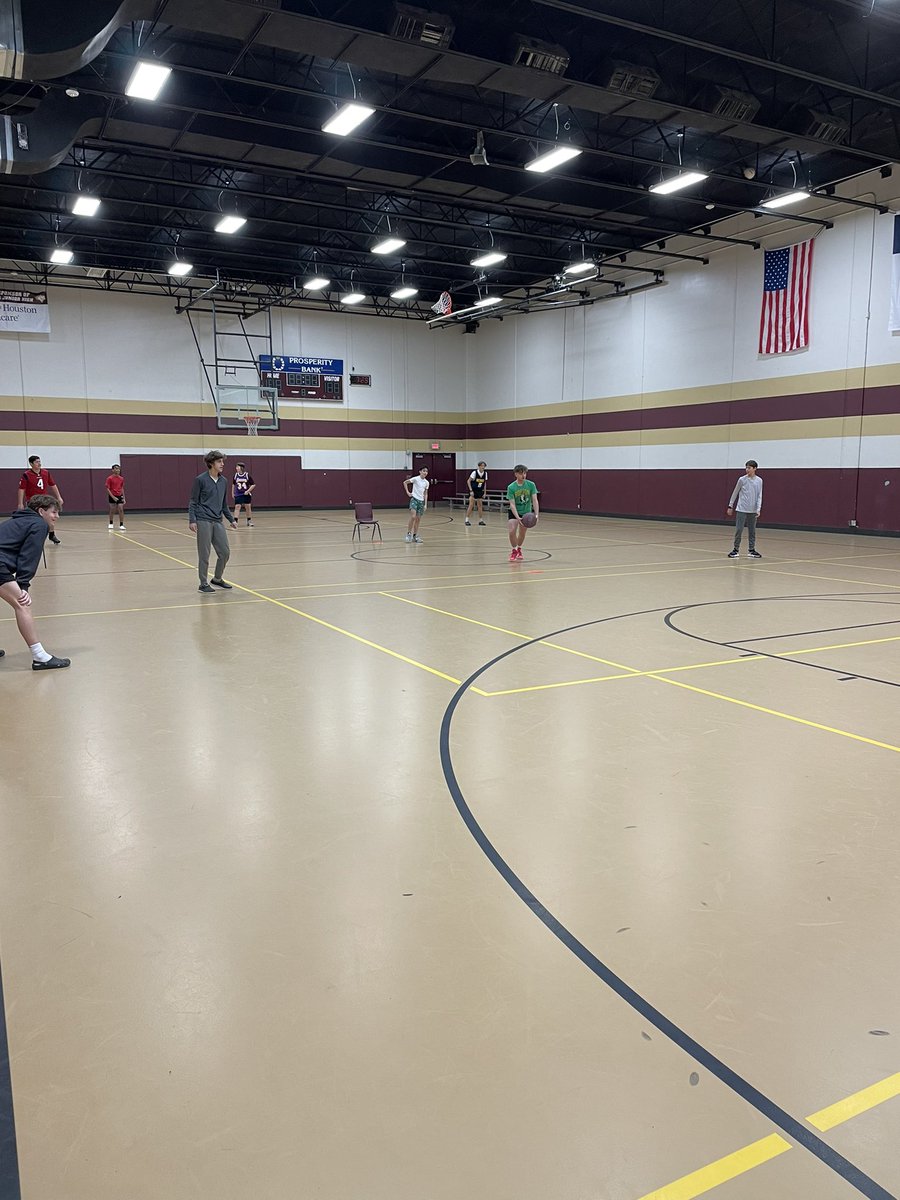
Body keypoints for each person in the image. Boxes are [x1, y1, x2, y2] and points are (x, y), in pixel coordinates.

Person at [0, 495, 70, 670]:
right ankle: (40, 657)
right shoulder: (39, 525)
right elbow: (29, 556)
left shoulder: (19, 520)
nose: (57, 517)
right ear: (41, 511)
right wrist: (23, 585)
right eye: (54, 512)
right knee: (22, 604)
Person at [189, 451, 238, 593]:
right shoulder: (200, 480)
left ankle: (217, 579)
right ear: (211, 463)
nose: (222, 464)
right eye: (219, 462)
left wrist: (231, 519)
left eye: (222, 461)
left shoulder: (224, 481)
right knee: (204, 554)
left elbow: (223, 504)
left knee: (225, 552)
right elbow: (193, 501)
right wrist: (192, 520)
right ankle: (203, 583)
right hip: (203, 519)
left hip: (218, 521)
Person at [17, 455, 63, 545]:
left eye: (39, 461)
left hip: (44, 500)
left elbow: (53, 484)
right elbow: (21, 489)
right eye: (36, 462)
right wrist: (20, 503)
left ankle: (52, 534)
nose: (39, 463)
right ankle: (30, 537)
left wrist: (59, 497)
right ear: (31, 464)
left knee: (50, 517)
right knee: (33, 520)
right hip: (32, 501)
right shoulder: (26, 475)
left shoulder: (46, 473)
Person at [727, 460, 763, 559]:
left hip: (753, 510)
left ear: (755, 469)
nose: (747, 470)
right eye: (746, 468)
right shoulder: (742, 480)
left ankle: (751, 550)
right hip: (741, 509)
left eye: (749, 468)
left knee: (752, 531)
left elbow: (760, 495)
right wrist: (730, 506)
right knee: (739, 529)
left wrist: (758, 509)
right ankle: (735, 549)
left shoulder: (759, 481)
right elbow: (735, 493)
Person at [506, 465, 539, 561]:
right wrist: (517, 517)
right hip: (514, 512)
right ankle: (514, 550)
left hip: (526, 512)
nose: (523, 475)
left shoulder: (531, 485)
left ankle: (519, 548)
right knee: (512, 530)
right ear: (516, 474)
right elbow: (512, 504)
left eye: (524, 473)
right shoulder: (511, 487)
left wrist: (536, 515)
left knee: (522, 533)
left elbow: (535, 500)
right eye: (521, 473)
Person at [404, 466, 429, 543]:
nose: (425, 472)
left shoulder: (426, 482)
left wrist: (425, 504)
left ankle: (415, 535)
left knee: (418, 519)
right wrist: (408, 492)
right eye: (424, 471)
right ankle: (408, 534)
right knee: (413, 516)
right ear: (420, 471)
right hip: (414, 499)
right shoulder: (415, 479)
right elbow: (405, 482)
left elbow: (425, 494)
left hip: (421, 502)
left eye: (426, 471)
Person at [465, 461, 488, 526]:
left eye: (484, 466)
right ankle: (467, 520)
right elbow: (468, 481)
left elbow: (485, 483)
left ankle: (481, 520)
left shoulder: (485, 474)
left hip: (480, 491)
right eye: (482, 466)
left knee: (480, 506)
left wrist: (485, 492)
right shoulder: (474, 473)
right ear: (479, 466)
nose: (483, 467)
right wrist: (471, 490)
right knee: (471, 505)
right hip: (473, 490)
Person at [105, 464, 126, 530]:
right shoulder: (109, 478)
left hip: (119, 495)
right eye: (116, 468)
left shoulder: (121, 478)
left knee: (120, 508)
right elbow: (108, 488)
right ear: (113, 470)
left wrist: (124, 498)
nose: (117, 470)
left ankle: (121, 524)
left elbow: (122, 488)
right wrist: (113, 497)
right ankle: (111, 523)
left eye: (118, 469)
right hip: (112, 495)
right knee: (112, 510)